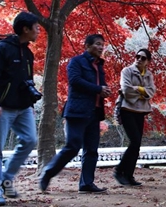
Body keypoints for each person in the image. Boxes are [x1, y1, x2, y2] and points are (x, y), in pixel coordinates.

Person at [0, 12, 41, 206]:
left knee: (30, 140)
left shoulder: (28, 53)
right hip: (2, 107)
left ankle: (6, 177)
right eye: (36, 27)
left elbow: (27, 81)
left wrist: (30, 104)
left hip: (23, 108)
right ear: (26, 28)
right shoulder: (2, 49)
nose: (38, 30)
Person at [39, 34, 112, 194]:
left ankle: (86, 184)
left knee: (91, 150)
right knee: (73, 146)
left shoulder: (100, 65)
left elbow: (101, 85)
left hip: (95, 112)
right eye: (98, 44)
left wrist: (105, 90)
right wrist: (98, 89)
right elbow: (75, 81)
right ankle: (48, 172)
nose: (101, 47)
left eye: (102, 45)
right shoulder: (76, 62)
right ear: (87, 45)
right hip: (77, 111)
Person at [114, 48, 156, 186]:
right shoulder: (127, 71)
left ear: (148, 61)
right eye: (137, 56)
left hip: (141, 111)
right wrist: (142, 92)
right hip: (127, 109)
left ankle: (129, 175)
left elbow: (151, 91)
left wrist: (137, 89)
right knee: (134, 141)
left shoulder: (149, 75)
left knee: (137, 144)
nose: (139, 59)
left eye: (143, 58)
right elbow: (125, 89)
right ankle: (119, 171)